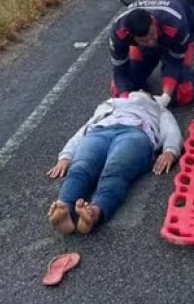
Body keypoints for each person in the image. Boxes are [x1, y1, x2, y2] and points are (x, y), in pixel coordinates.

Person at [46, 91, 181, 234]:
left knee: (116, 170)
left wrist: (170, 150)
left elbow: (171, 129)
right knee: (80, 167)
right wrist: (66, 156)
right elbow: (83, 129)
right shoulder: (108, 104)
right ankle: (64, 208)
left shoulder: (157, 107)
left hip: (134, 133)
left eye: (142, 92)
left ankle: (94, 212)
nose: (137, 92)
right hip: (98, 132)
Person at [109, 0, 194, 108]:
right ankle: (142, 69)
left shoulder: (176, 23)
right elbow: (119, 69)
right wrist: (125, 98)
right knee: (118, 90)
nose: (150, 42)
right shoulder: (118, 32)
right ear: (130, 35)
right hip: (152, 37)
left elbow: (174, 62)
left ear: (153, 22)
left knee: (182, 93)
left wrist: (166, 96)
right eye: (144, 41)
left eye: (152, 35)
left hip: (181, 32)